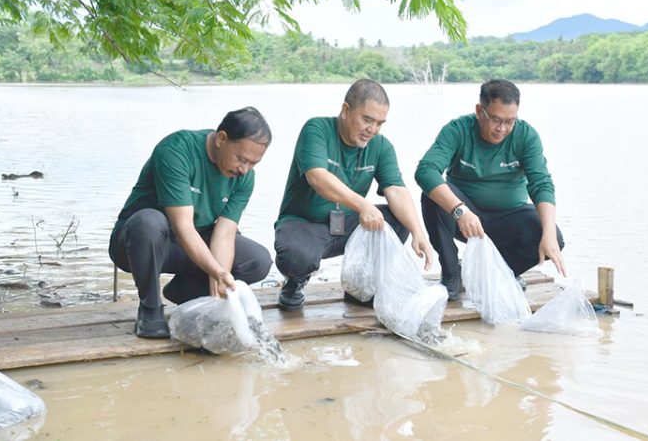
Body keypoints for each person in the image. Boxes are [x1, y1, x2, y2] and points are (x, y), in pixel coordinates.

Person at [109, 107, 274, 338]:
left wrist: (218, 290)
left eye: (253, 163)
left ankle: (186, 292)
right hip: (140, 243)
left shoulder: (244, 178)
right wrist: (215, 270)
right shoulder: (177, 151)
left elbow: (225, 235)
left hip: (190, 247)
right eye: (241, 159)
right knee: (150, 222)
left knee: (257, 260)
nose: (244, 169)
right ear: (221, 138)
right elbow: (183, 226)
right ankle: (150, 308)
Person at [274, 79, 435, 311]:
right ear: (346, 110)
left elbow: (397, 190)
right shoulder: (317, 129)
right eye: (367, 120)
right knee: (296, 257)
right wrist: (363, 205)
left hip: (347, 224)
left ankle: (360, 288)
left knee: (398, 221)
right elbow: (317, 178)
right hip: (305, 224)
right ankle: (296, 281)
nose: (373, 130)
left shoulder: (381, 146)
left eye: (380, 123)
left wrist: (418, 233)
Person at [415, 79, 566, 300]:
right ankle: (451, 272)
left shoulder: (526, 136)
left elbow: (541, 183)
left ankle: (502, 272)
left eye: (509, 121)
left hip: (508, 219)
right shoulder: (458, 130)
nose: (502, 129)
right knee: (432, 195)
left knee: (551, 234)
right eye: (495, 120)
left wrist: (550, 236)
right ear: (479, 111)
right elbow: (425, 170)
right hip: (464, 219)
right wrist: (460, 210)